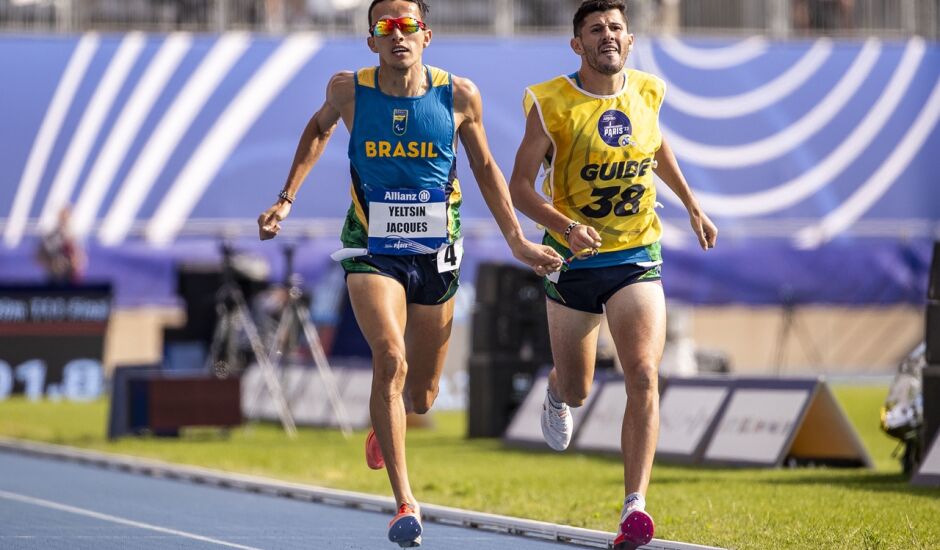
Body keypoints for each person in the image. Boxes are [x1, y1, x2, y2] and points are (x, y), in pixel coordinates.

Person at [257, 0, 563, 546]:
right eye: (386, 27)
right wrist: (286, 199)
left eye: (408, 27)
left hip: (435, 251)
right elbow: (316, 130)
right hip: (371, 247)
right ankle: (404, 502)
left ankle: (386, 421)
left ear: (427, 35)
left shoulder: (459, 95)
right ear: (371, 40)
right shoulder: (349, 90)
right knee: (390, 358)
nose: (398, 35)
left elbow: (486, 168)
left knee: (420, 394)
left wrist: (516, 237)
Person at [507, 2, 717, 549]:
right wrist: (565, 225)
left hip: (635, 254)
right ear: (577, 44)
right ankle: (556, 388)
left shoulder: (648, 90)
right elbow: (520, 189)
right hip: (572, 261)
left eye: (616, 28)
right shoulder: (549, 103)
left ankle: (634, 507)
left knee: (643, 373)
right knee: (578, 389)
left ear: (630, 39)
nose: (608, 36)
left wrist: (691, 204)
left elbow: (655, 145)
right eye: (596, 29)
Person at [36, 205, 85, 285]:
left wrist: (74, 262)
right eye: (62, 217)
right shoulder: (50, 237)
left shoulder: (76, 237)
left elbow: (81, 259)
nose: (64, 220)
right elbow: (40, 256)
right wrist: (51, 264)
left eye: (66, 218)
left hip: (71, 279)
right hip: (54, 277)